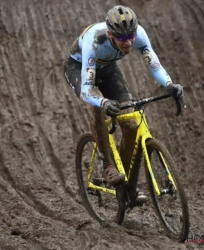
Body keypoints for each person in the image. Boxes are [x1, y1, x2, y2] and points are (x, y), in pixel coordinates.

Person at [63, 5, 185, 203]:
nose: (128, 42)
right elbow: (87, 89)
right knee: (96, 108)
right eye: (122, 38)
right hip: (79, 68)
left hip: (108, 69)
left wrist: (170, 84)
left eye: (131, 37)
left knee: (130, 124)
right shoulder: (95, 41)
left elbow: (155, 65)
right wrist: (102, 101)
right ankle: (108, 166)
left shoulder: (139, 35)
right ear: (110, 35)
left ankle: (127, 189)